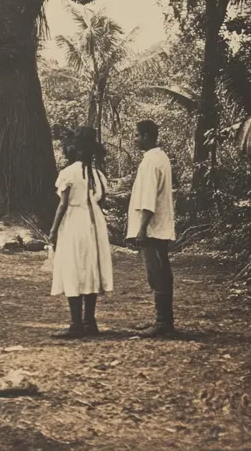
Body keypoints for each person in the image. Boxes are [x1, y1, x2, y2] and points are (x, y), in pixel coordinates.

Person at [48, 127, 113, 339]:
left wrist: (53, 230)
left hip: (74, 222)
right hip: (94, 223)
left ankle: (76, 323)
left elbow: (62, 205)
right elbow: (101, 200)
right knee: (90, 266)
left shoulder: (68, 173)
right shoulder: (97, 174)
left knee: (73, 266)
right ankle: (90, 321)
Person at [127, 118, 176, 337]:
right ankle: (162, 319)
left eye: (137, 135)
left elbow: (148, 199)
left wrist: (142, 228)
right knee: (160, 271)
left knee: (157, 273)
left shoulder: (150, 162)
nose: (135, 139)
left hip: (152, 228)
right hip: (158, 226)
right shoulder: (160, 157)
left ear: (146, 136)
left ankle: (163, 322)